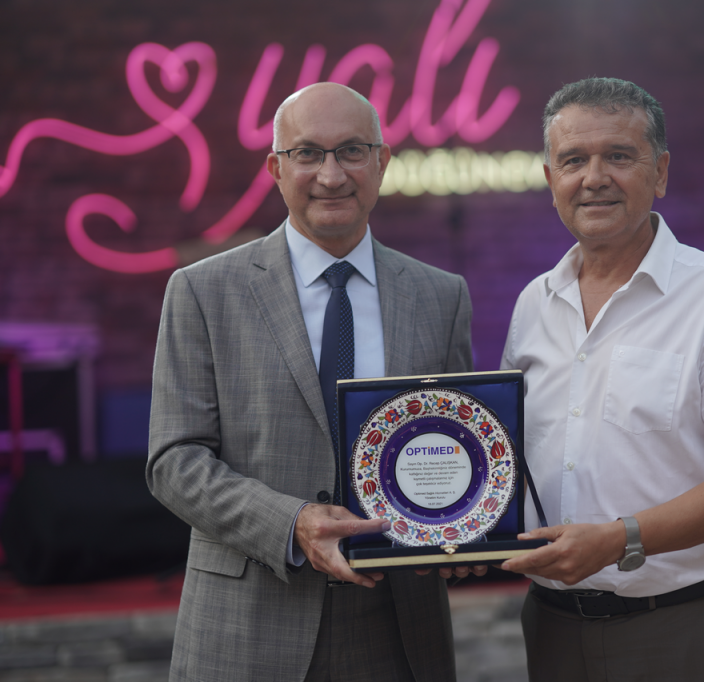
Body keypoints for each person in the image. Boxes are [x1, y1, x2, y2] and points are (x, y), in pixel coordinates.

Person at [147, 82, 474, 682]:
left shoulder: (440, 296)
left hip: (399, 632)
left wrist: (466, 527)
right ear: (276, 168)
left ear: (382, 162)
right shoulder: (201, 291)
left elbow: (459, 446)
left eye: (352, 150)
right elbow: (174, 461)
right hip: (248, 625)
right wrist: (293, 523)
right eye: (307, 153)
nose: (331, 175)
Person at [498, 77, 704, 681]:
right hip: (552, 628)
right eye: (573, 160)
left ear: (661, 173)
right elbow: (507, 456)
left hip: (683, 630)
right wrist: (451, 529)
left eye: (619, 156)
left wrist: (617, 540)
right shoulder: (533, 304)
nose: (594, 178)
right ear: (550, 180)